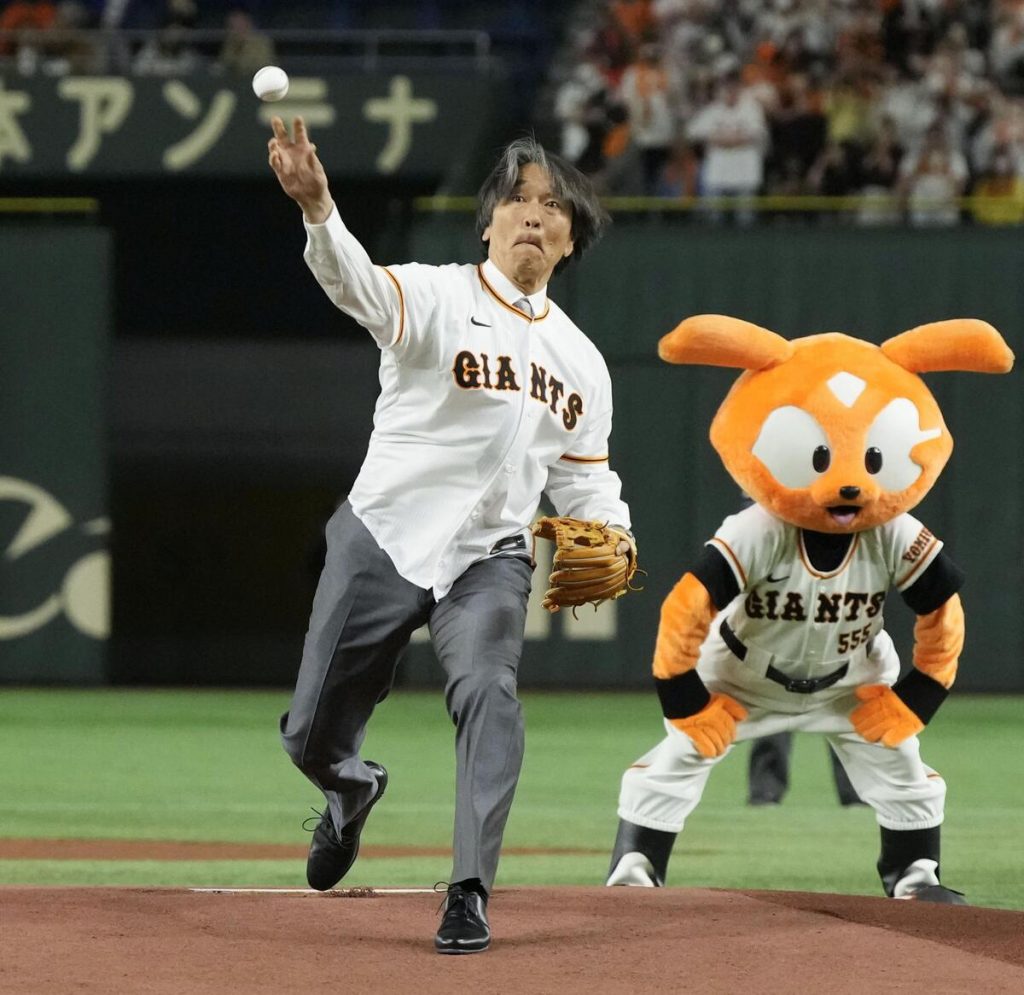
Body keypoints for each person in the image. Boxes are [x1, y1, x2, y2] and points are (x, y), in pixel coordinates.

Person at [267, 119, 634, 954]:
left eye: (551, 205)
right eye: (517, 199)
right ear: (488, 221)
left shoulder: (582, 363)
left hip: (490, 558)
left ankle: (468, 890)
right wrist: (319, 208)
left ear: (571, 236)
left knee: (489, 693)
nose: (532, 215)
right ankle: (349, 786)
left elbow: (583, 478)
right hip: (383, 535)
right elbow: (355, 284)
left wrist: (611, 529)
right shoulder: (435, 296)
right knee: (309, 731)